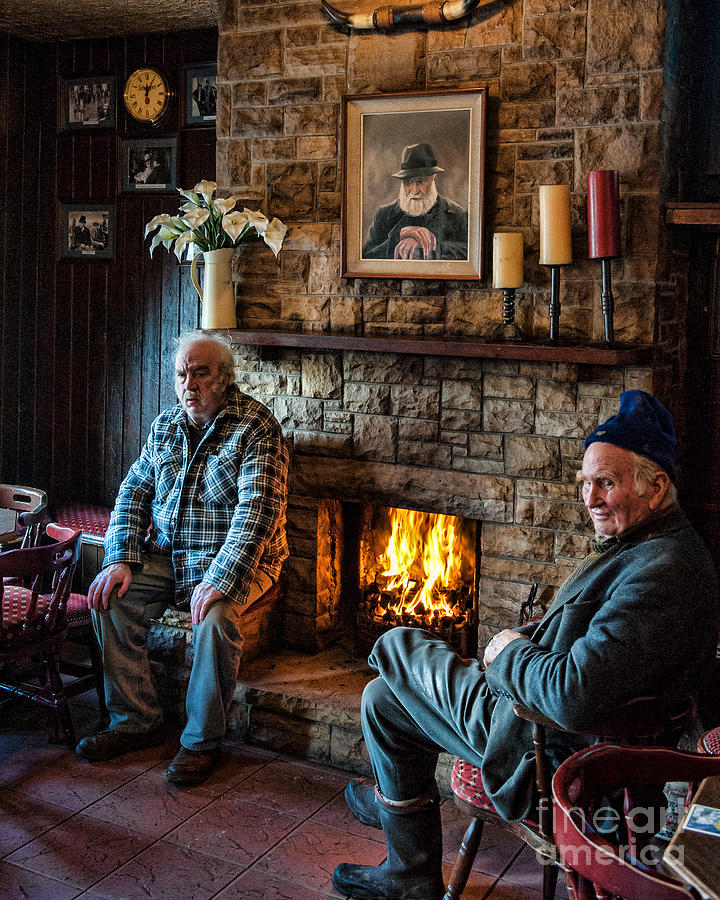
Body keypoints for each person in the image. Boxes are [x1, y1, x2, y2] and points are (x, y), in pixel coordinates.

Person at [333, 390, 720, 900]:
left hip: (546, 743)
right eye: (586, 483)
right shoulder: (652, 546)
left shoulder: (664, 572)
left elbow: (571, 694)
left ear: (656, 486)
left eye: (607, 482)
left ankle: (392, 796)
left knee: (397, 644)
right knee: (382, 700)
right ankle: (407, 866)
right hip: (540, 713)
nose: (590, 498)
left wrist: (508, 652)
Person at [76, 331, 289, 785]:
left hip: (243, 560)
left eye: (200, 372)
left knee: (215, 618)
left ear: (226, 379)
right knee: (110, 597)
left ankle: (200, 742)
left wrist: (222, 578)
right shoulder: (166, 426)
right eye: (180, 374)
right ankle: (135, 721)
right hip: (170, 555)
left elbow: (258, 513)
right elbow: (133, 491)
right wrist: (120, 558)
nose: (188, 383)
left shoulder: (257, 427)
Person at [362, 142, 468, 261]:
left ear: (434, 179)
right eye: (408, 182)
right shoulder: (383, 215)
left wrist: (429, 245)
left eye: (420, 181)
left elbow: (470, 253)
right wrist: (398, 236)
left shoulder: (457, 214)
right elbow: (366, 257)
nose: (414, 190)